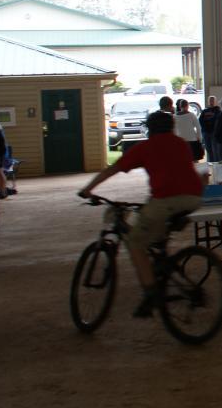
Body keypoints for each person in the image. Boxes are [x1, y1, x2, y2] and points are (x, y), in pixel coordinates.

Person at [77, 110, 204, 317]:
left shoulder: (145, 147)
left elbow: (112, 169)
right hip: (194, 198)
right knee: (153, 225)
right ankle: (163, 264)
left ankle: (151, 294)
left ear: (149, 129)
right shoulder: (181, 143)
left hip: (165, 201)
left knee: (135, 242)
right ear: (171, 127)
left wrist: (88, 189)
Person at [198, 96, 220, 162]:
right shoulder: (204, 111)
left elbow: (218, 121)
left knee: (215, 150)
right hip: (206, 132)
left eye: (212, 100)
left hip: (214, 132)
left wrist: (209, 121)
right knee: (208, 149)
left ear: (215, 101)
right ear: (208, 101)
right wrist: (205, 127)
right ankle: (210, 163)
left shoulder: (218, 110)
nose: (211, 102)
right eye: (210, 100)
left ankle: (216, 163)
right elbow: (200, 120)